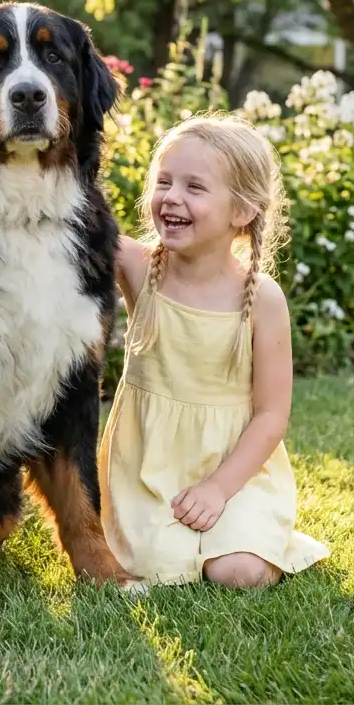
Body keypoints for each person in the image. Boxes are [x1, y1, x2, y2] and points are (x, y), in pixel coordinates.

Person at [99, 113, 328, 588]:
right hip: (149, 471)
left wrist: (219, 489)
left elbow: (270, 415)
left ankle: (251, 531)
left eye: (194, 187)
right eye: (164, 182)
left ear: (242, 211)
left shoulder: (261, 299)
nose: (172, 198)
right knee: (159, 565)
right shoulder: (138, 267)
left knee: (237, 571)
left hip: (235, 470)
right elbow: (69, 214)